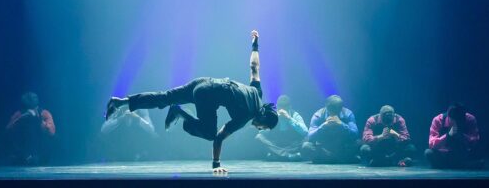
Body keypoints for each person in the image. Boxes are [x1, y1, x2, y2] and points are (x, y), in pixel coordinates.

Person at [105, 30, 279, 175]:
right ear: (263, 118)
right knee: (210, 133)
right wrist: (216, 164)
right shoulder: (246, 115)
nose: (260, 129)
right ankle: (178, 111)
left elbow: (254, 67)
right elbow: (218, 138)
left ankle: (120, 103)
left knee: (164, 97)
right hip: (207, 95)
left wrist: (255, 45)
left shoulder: (257, 93)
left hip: (202, 82)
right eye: (264, 127)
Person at [302, 95, 360, 163]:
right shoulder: (318, 115)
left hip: (342, 147)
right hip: (325, 148)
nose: (333, 114)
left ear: (341, 108)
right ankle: (342, 159)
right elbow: (310, 136)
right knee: (306, 146)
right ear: (326, 107)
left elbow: (355, 134)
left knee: (359, 143)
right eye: (331, 110)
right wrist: (323, 126)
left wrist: (341, 124)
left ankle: (329, 159)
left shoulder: (348, 114)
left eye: (337, 111)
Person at [425, 103, 482, 169]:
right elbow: (431, 144)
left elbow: (475, 141)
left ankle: (451, 165)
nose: (457, 123)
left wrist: (462, 136)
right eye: (454, 121)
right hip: (445, 154)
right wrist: (448, 136)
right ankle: (462, 165)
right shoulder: (438, 120)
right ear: (449, 117)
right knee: (428, 153)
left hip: (463, 153)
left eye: (459, 121)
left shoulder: (470, 119)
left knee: (479, 151)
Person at [6, 92, 56, 165]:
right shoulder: (19, 113)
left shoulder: (44, 113)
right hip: (23, 142)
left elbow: (51, 131)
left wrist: (38, 119)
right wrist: (22, 118)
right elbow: (9, 128)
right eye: (31, 98)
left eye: (35, 97)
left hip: (41, 143)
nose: (34, 99)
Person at [255, 95, 307, 160]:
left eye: (285, 106)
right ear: (277, 106)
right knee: (259, 137)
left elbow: (305, 132)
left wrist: (289, 119)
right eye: (280, 106)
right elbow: (261, 131)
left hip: (292, 145)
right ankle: (288, 156)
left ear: (290, 107)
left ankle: (276, 155)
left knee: (306, 139)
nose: (282, 108)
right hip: (276, 145)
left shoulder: (295, 115)